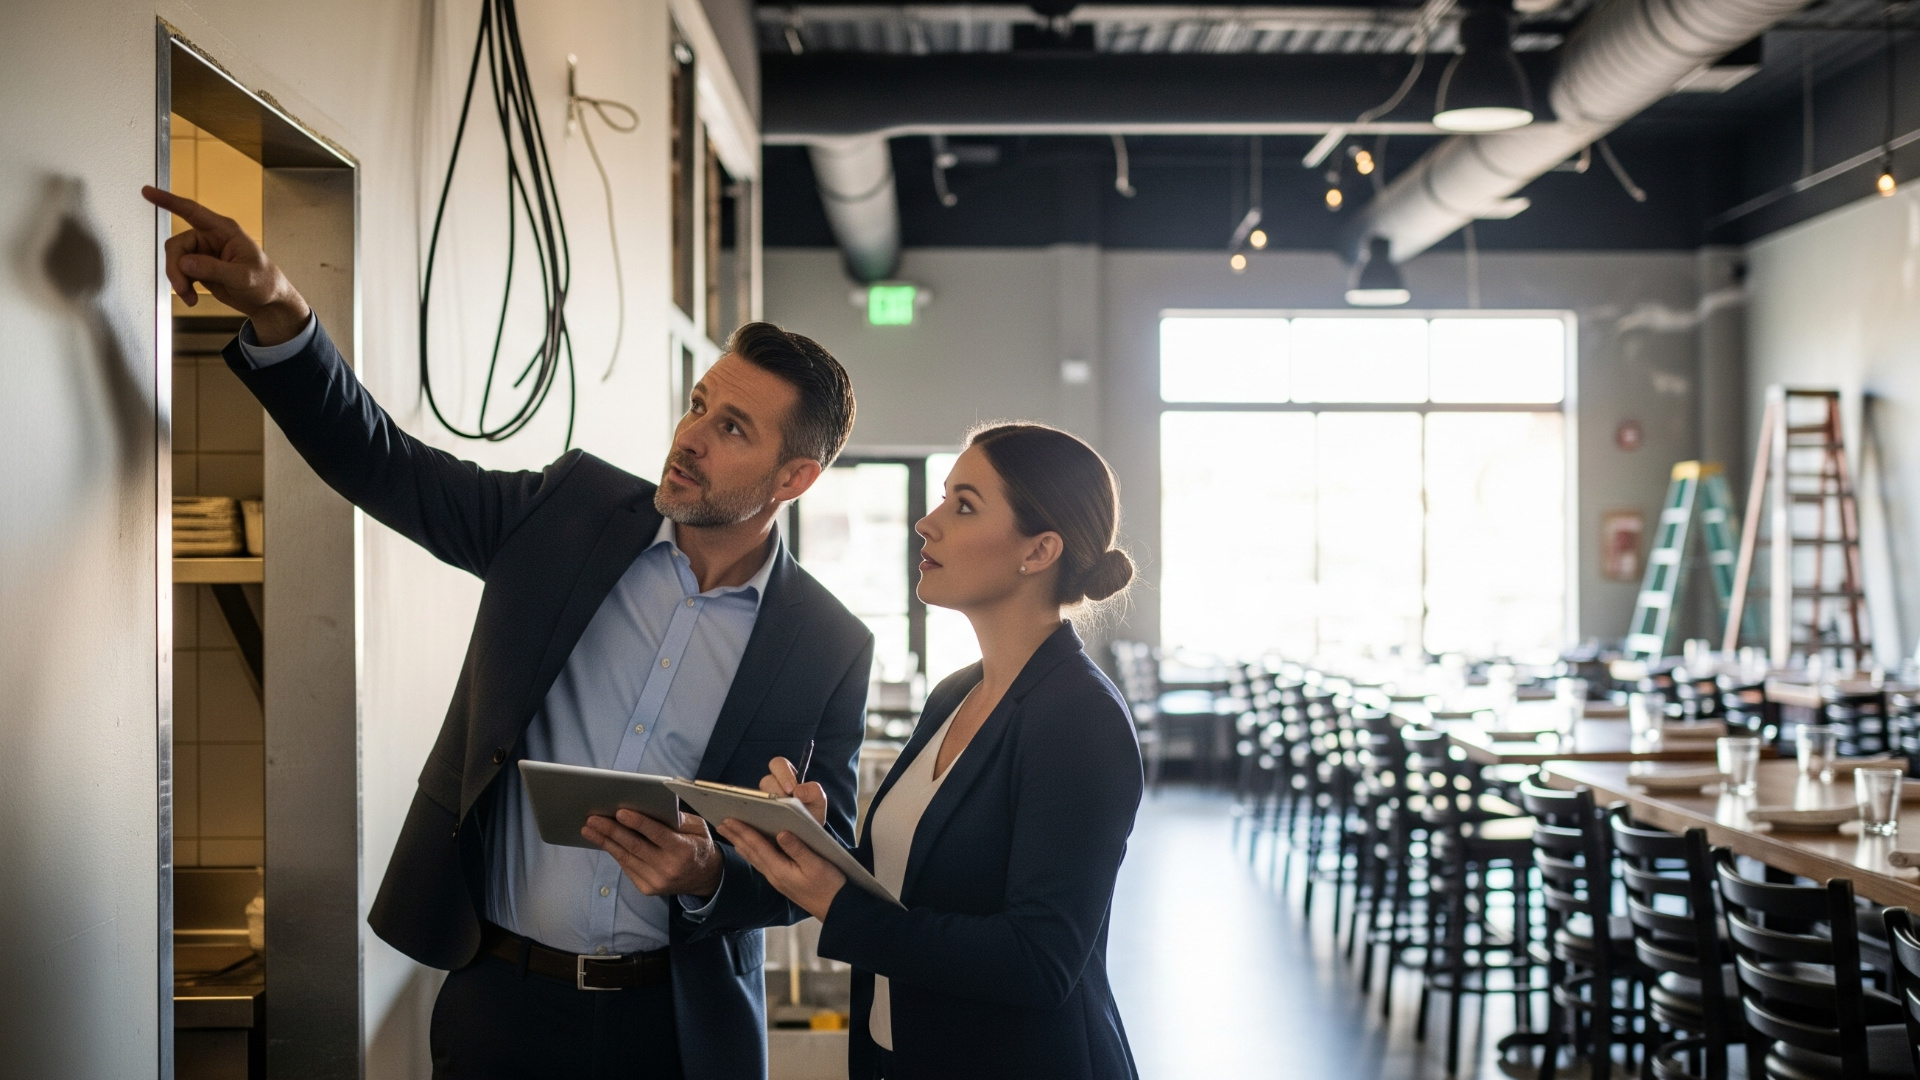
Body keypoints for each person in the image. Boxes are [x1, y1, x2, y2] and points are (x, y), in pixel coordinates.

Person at [141, 186, 873, 1080]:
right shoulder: (569, 514)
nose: (689, 438)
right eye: (697, 404)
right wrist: (278, 308)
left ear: (794, 478)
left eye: (731, 429)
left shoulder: (830, 644)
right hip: (503, 1005)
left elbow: (813, 864)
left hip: (680, 1032)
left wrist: (709, 878)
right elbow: (389, 466)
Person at [718, 423, 1145, 1080]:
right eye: (943, 497)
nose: (926, 522)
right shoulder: (955, 694)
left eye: (964, 504)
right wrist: (809, 843)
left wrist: (839, 904)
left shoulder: (1079, 718)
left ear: (1039, 551)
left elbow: (1039, 961)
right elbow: (905, 883)